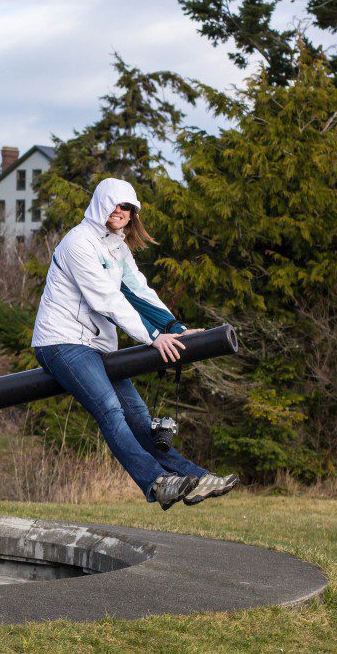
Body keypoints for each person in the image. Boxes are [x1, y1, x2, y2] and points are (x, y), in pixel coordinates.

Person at [32, 178, 238, 510]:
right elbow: (106, 300)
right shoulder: (78, 243)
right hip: (62, 342)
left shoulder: (118, 248)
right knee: (110, 410)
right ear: (100, 203)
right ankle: (156, 482)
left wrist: (175, 327)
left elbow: (139, 292)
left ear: (133, 213)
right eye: (114, 204)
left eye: (127, 207)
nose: (120, 211)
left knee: (140, 418)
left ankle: (195, 478)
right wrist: (154, 338)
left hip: (98, 346)